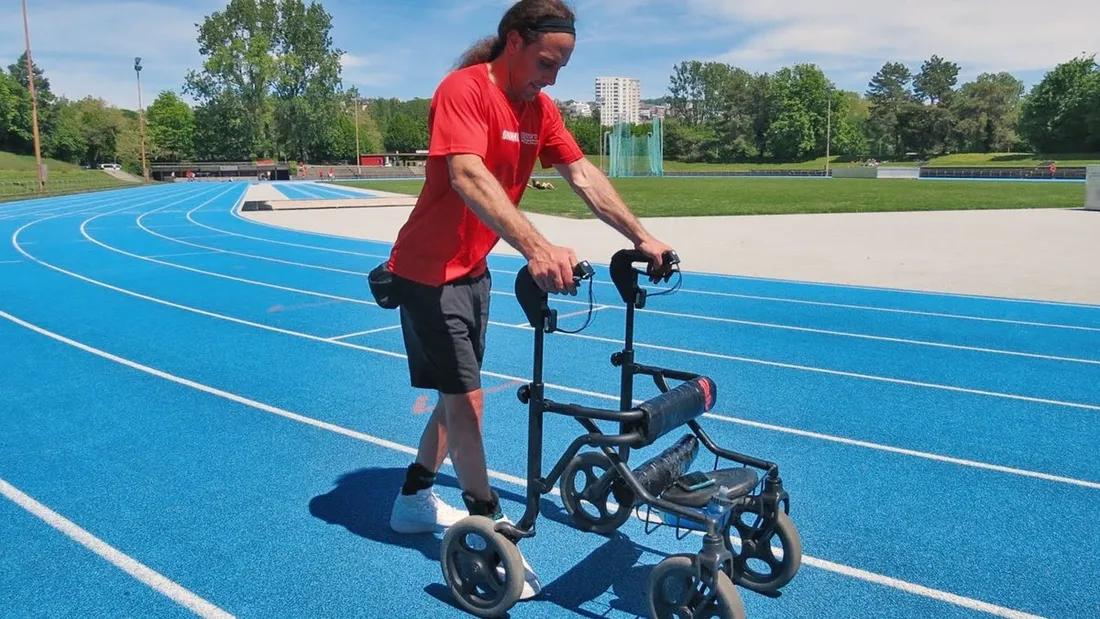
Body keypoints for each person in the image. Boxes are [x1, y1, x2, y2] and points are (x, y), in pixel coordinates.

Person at [385, 0, 677, 599]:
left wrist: (640, 236)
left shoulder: (538, 108)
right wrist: (536, 247)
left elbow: (583, 175)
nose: (553, 77)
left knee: (454, 398)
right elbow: (466, 176)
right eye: (548, 61)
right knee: (467, 403)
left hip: (470, 271)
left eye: (562, 67)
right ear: (514, 41)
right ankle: (491, 530)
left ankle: (413, 498)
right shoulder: (463, 90)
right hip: (427, 273)